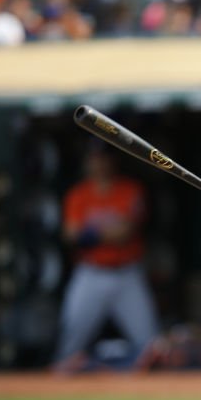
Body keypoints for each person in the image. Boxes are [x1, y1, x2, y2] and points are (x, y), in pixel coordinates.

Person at [54, 144, 158, 368]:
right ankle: (58, 386)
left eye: (104, 158)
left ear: (113, 161)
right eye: (94, 158)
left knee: (149, 340)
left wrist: (90, 233)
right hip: (91, 274)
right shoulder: (79, 194)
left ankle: (156, 391)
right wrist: (105, 232)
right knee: (71, 338)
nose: (99, 163)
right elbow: (70, 235)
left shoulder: (130, 190)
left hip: (126, 274)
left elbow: (125, 233)